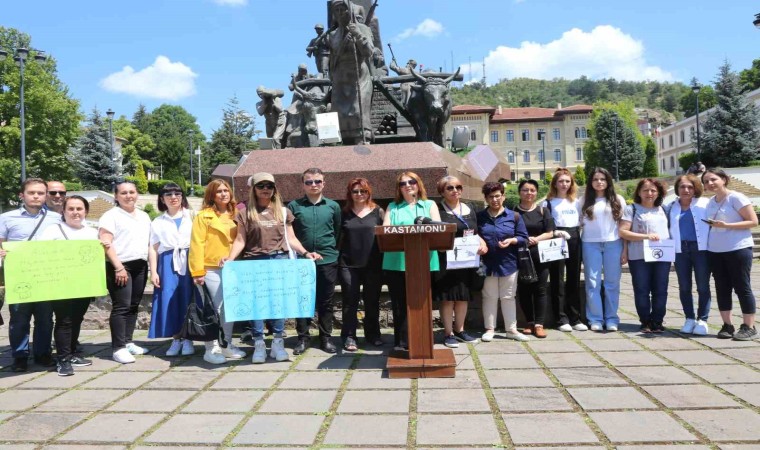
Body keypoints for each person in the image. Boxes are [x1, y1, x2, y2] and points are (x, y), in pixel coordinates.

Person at [225, 173, 319, 363]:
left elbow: (291, 239)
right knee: (256, 305)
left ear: (274, 189)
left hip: (279, 261)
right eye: (261, 186)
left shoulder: (283, 212)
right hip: (254, 262)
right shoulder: (244, 213)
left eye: (269, 186)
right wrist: (230, 258)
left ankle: (277, 343)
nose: (265, 189)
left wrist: (306, 253)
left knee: (277, 303)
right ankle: (259, 343)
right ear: (254, 189)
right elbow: (240, 240)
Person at [35, 196, 103, 376]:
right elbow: (38, 254)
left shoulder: (91, 232)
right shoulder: (53, 230)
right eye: (71, 209)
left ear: (86, 212)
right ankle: (63, 360)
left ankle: (71, 353)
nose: (75, 212)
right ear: (63, 211)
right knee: (64, 321)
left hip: (83, 285)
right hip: (61, 285)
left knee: (77, 318)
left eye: (79, 209)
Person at [1, 178, 62, 372]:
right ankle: (19, 355)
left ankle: (43, 353)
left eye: (40, 193)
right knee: (19, 318)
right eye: (31, 193)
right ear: (22, 195)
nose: (36, 196)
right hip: (19, 277)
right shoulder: (7, 218)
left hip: (45, 276)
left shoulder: (55, 218)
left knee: (45, 318)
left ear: (45, 196)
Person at [189, 179, 247, 364]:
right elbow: (196, 244)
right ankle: (210, 348)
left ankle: (226, 344)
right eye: (219, 191)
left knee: (229, 309)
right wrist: (197, 271)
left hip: (233, 267)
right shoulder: (203, 216)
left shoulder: (236, 214)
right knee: (214, 309)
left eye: (226, 190)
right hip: (210, 268)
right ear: (212, 195)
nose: (223, 194)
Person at [383, 172, 440, 349]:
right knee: (399, 303)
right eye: (403, 183)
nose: (408, 185)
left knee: (421, 302)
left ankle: (422, 340)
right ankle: (401, 341)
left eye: (412, 181)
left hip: (424, 260)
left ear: (418, 184)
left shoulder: (429, 205)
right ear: (399, 188)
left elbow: (438, 228)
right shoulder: (393, 207)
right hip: (397, 262)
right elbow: (385, 230)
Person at [288, 168, 341, 354]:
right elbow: (290, 235)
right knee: (302, 300)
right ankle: (303, 338)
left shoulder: (333, 206)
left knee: (326, 301)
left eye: (317, 181)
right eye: (309, 182)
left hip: (328, 260)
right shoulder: (294, 207)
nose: (313, 185)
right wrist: (304, 253)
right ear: (303, 184)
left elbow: (337, 231)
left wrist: (330, 252)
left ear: (323, 183)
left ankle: (326, 338)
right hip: (302, 261)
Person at [99, 180, 152, 364]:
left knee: (134, 305)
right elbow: (106, 243)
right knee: (121, 306)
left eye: (132, 192)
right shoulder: (110, 216)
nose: (128, 196)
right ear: (116, 196)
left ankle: (128, 342)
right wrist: (118, 267)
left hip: (140, 265)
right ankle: (118, 348)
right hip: (120, 266)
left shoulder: (144, 216)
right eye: (123, 193)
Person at [702, 169, 758, 340]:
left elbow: (753, 221)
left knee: (742, 287)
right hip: (716, 251)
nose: (710, 184)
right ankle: (727, 325)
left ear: (724, 179)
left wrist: (727, 225)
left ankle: (749, 326)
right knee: (722, 288)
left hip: (738, 248)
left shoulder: (736, 197)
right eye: (706, 181)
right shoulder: (710, 202)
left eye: (713, 179)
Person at [433, 176, 486, 347]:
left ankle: (460, 330)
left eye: (458, 187)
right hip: (447, 261)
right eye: (450, 188)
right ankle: (448, 333)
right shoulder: (438, 210)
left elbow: (475, 232)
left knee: (463, 297)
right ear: (442, 191)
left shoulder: (469, 208)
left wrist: (483, 244)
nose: (455, 190)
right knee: (448, 298)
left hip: (466, 260)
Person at [476, 181, 530, 342]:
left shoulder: (514, 216)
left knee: (508, 296)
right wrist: (480, 241)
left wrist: (512, 240)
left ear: (503, 197)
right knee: (489, 296)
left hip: (509, 262)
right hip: (487, 263)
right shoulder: (480, 217)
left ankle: (511, 330)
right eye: (491, 197)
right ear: (486, 198)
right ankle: (489, 329)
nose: (495, 200)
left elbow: (523, 238)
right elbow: (472, 233)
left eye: (498, 196)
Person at [147, 183, 196, 357]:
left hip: (190, 260)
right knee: (169, 300)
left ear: (182, 196)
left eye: (177, 193)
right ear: (162, 199)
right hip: (167, 262)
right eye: (168, 194)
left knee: (188, 299)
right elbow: (153, 248)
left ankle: (188, 338)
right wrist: (153, 272)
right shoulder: (158, 221)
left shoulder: (192, 216)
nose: (173, 197)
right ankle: (176, 338)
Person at [515, 179, 567, 339]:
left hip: (542, 255)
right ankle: (529, 322)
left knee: (541, 289)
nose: (529, 193)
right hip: (522, 256)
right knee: (524, 289)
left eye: (532, 190)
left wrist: (535, 239)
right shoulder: (514, 213)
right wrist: (524, 238)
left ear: (536, 193)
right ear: (519, 192)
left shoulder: (543, 211)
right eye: (525, 190)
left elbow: (551, 231)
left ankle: (539, 324)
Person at [619, 178, 671, 334]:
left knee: (661, 290)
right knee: (642, 290)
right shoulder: (632, 209)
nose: (650, 193)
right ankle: (645, 321)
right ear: (639, 192)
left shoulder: (664, 209)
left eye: (653, 190)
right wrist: (646, 237)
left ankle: (657, 321)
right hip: (639, 255)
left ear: (659, 193)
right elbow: (623, 232)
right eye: (646, 190)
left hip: (662, 255)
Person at [338, 177, 385, 351]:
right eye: (355, 191)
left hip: (373, 264)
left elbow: (385, 236)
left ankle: (373, 335)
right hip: (348, 264)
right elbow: (338, 238)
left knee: (372, 300)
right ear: (350, 194)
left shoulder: (378, 211)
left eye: (363, 191)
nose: (359, 194)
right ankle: (349, 336)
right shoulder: (344, 213)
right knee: (350, 301)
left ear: (368, 192)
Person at [579, 168, 626, 332]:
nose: (599, 182)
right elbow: (578, 224)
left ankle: (612, 318)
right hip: (590, 244)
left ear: (608, 181)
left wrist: (625, 249)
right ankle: (595, 318)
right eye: (595, 179)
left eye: (602, 179)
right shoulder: (584, 200)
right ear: (591, 182)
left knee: (612, 283)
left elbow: (623, 226)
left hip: (613, 243)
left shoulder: (617, 199)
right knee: (593, 283)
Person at [543, 168, 587, 332]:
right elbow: (547, 225)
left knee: (574, 277)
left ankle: (575, 317)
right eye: (561, 181)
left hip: (575, 237)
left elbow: (582, 220)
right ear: (555, 183)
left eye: (567, 181)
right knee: (557, 278)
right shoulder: (548, 203)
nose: (564, 184)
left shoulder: (576, 202)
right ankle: (561, 318)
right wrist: (555, 233)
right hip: (557, 238)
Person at [327, 0, 375, 144]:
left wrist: (358, 34)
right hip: (340, 79)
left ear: (350, 10)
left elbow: (368, 52)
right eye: (337, 10)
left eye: (344, 9)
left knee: (358, 112)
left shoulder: (362, 28)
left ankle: (363, 143)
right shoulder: (332, 35)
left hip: (358, 77)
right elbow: (332, 59)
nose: (341, 13)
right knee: (341, 116)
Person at [669, 174, 711, 335]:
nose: (686, 190)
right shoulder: (671, 206)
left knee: (703, 286)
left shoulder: (705, 204)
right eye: (682, 187)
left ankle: (703, 320)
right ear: (677, 189)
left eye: (690, 187)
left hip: (701, 250)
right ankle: (689, 318)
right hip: (681, 250)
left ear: (696, 189)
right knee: (684, 286)